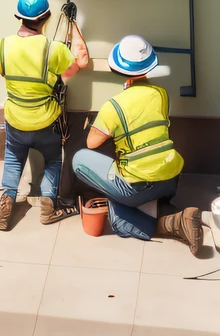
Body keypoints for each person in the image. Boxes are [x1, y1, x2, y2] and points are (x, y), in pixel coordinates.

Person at [71, 35, 202, 247]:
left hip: (136, 186)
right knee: (129, 188)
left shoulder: (113, 106)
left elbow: (92, 143)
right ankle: (165, 208)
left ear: (118, 68)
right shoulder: (162, 94)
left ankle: (172, 224)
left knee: (80, 159)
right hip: (170, 179)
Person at [0, 0, 90, 231]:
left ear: (20, 18)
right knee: (53, 160)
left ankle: (7, 201)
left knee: (14, 159)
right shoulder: (53, 49)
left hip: (16, 119)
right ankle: (48, 205)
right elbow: (74, 69)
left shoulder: (3, 45)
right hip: (46, 122)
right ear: (47, 18)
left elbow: (5, 73)